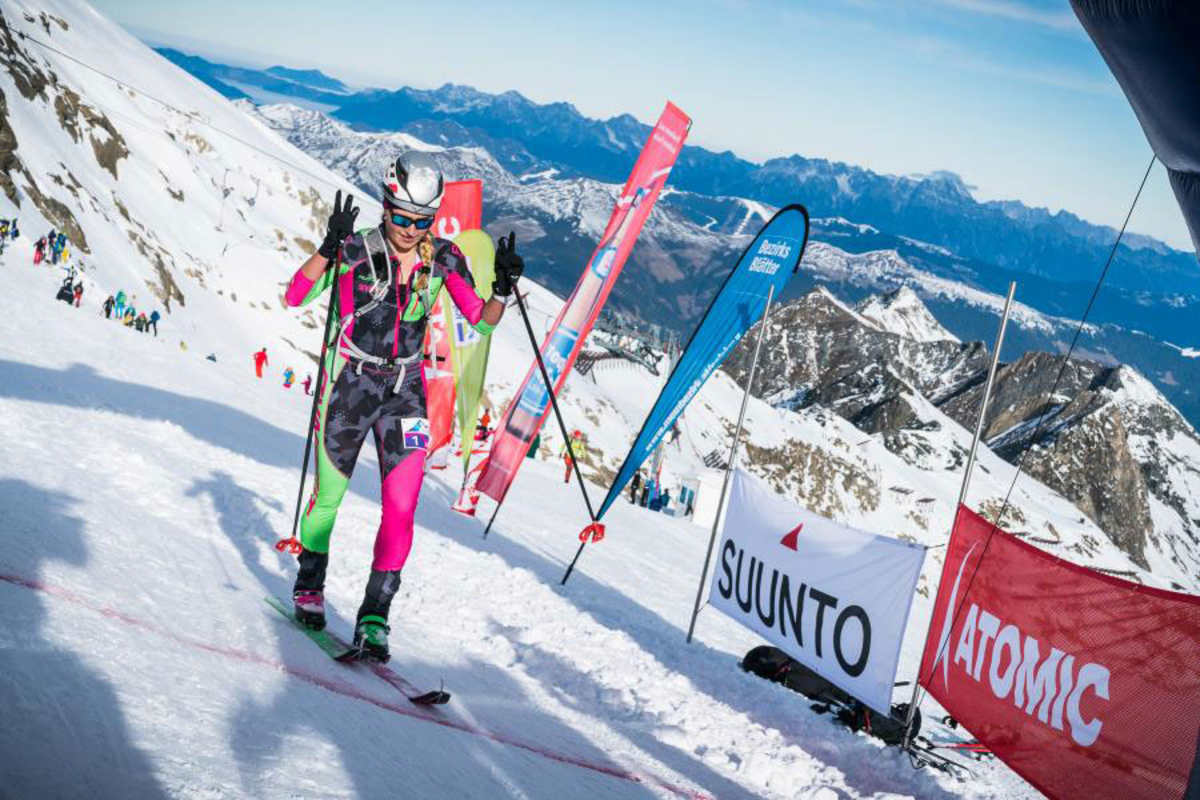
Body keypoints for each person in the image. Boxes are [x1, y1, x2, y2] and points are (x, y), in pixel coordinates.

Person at [285, 153, 522, 661]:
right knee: (329, 499)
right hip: (351, 384)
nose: (412, 228)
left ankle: (375, 617)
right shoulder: (352, 250)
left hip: (406, 392)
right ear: (386, 205)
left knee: (401, 509)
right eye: (402, 216)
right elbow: (295, 295)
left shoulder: (445, 259)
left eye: (423, 220)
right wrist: (327, 250)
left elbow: (481, 321)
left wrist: (502, 288)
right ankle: (309, 586)